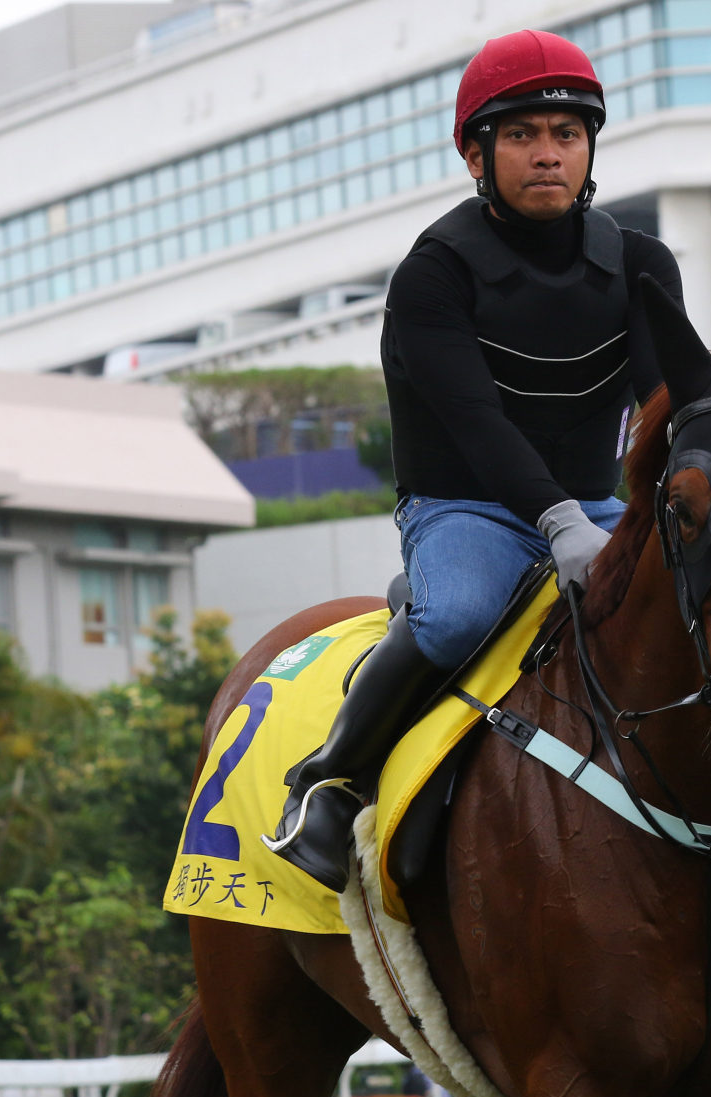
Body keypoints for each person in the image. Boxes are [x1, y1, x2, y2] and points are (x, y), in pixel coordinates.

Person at [265, 30, 683, 889]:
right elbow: (478, 422)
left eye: (567, 135)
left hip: (595, 509)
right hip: (465, 508)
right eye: (523, 135)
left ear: (590, 149)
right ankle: (329, 780)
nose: (547, 155)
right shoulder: (434, 273)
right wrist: (561, 522)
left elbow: (663, 404)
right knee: (457, 618)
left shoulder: (641, 263)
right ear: (475, 154)